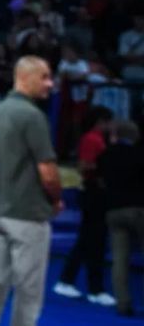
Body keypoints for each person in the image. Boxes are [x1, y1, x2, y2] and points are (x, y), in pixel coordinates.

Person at [0, 56, 62, 326]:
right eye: (45, 77)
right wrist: (56, 200)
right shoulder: (33, 116)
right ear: (25, 77)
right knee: (28, 291)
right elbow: (47, 172)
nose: (50, 84)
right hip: (26, 215)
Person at [54, 106, 115, 306]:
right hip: (93, 195)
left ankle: (75, 282)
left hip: (96, 195)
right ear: (101, 122)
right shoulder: (93, 139)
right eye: (108, 121)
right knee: (92, 240)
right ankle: (91, 287)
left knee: (90, 241)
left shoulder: (99, 140)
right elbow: (84, 165)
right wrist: (106, 165)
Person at [99, 119, 144, 317]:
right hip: (139, 209)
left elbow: (100, 180)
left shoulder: (105, 156)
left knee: (119, 260)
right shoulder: (139, 154)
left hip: (113, 211)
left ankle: (123, 303)